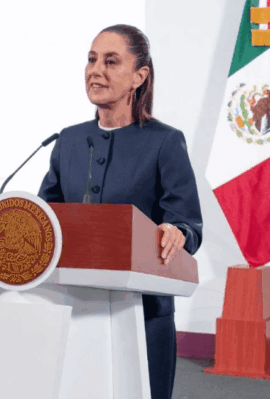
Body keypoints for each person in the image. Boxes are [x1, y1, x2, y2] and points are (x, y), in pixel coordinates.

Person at [38, 24, 203, 399]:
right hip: (72, 306)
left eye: (111, 62)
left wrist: (177, 232)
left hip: (142, 312)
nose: (96, 70)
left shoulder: (165, 141)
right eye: (91, 59)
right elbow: (44, 218)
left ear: (139, 76)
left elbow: (187, 223)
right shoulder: (68, 140)